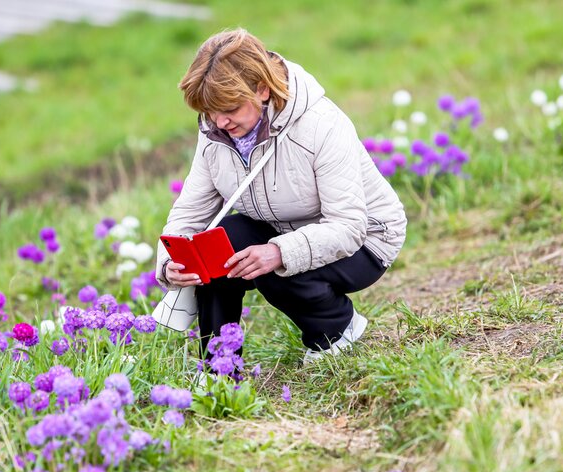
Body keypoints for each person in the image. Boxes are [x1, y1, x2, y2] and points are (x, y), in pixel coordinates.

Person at [155, 28, 407, 364]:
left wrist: (278, 250)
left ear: (261, 88)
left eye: (228, 108)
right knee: (213, 248)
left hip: (365, 240)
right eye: (210, 111)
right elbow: (190, 211)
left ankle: (335, 329)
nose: (220, 121)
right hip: (280, 226)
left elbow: (348, 225)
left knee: (273, 269)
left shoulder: (320, 124)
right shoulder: (217, 129)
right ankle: (219, 366)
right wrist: (173, 262)